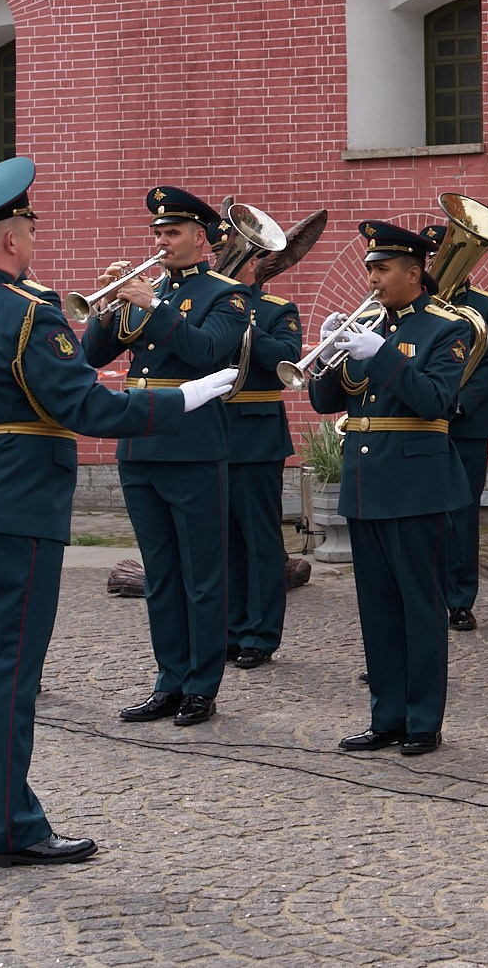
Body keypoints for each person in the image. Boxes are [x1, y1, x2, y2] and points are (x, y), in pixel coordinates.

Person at [0, 158, 234, 867]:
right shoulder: (29, 312)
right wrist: (185, 397)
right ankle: (9, 828)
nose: (33, 241)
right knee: (7, 668)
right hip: (12, 506)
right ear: (11, 238)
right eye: (29, 229)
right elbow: (87, 408)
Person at [83, 187, 252, 727]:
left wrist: (151, 307)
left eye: (172, 233)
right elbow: (90, 356)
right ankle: (169, 681)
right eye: (157, 232)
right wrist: (107, 310)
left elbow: (207, 351)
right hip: (139, 444)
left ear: (201, 239)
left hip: (193, 446)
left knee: (202, 575)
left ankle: (201, 686)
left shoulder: (227, 295)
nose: (161, 241)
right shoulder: (147, 291)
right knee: (160, 574)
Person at [310, 221, 473, 757]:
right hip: (367, 481)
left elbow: (434, 400)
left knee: (419, 606)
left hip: (415, 483)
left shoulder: (448, 328)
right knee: (377, 608)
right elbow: (324, 402)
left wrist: (380, 353)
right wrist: (329, 352)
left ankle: (423, 720)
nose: (373, 280)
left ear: (413, 272)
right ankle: (386, 716)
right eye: (370, 270)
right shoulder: (368, 325)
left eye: (382, 270)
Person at [215, 214, 304, 670]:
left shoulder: (276, 309)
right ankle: (231, 630)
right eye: (220, 252)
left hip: (255, 435)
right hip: (210, 432)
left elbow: (288, 360)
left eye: (230, 254)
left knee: (260, 541)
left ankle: (260, 633)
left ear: (253, 262)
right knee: (224, 542)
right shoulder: (205, 301)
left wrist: (244, 326)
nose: (220, 260)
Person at [421, 222, 488, 634]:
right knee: (420, 509)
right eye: (430, 257)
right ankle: (425, 595)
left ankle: (459, 600)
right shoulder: (414, 307)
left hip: (466, 421)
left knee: (462, 512)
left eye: (442, 255)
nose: (435, 263)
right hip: (419, 421)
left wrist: (456, 403)